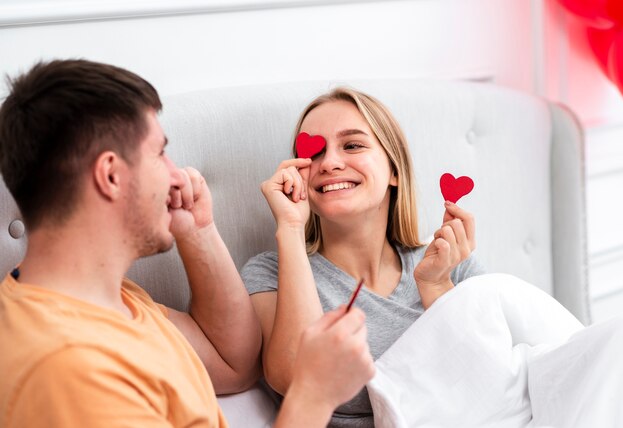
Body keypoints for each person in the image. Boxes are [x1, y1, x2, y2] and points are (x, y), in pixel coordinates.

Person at [0, 59, 375, 427]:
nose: (177, 175)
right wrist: (313, 396)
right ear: (111, 176)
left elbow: (235, 364)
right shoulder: (69, 368)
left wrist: (198, 231)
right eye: (159, 153)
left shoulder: (110, 299)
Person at [242, 87, 486, 427]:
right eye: (313, 152)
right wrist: (291, 228)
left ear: (394, 170)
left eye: (353, 145)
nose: (329, 163)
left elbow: (488, 381)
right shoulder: (272, 272)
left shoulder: (452, 266)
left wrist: (436, 287)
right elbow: (297, 378)